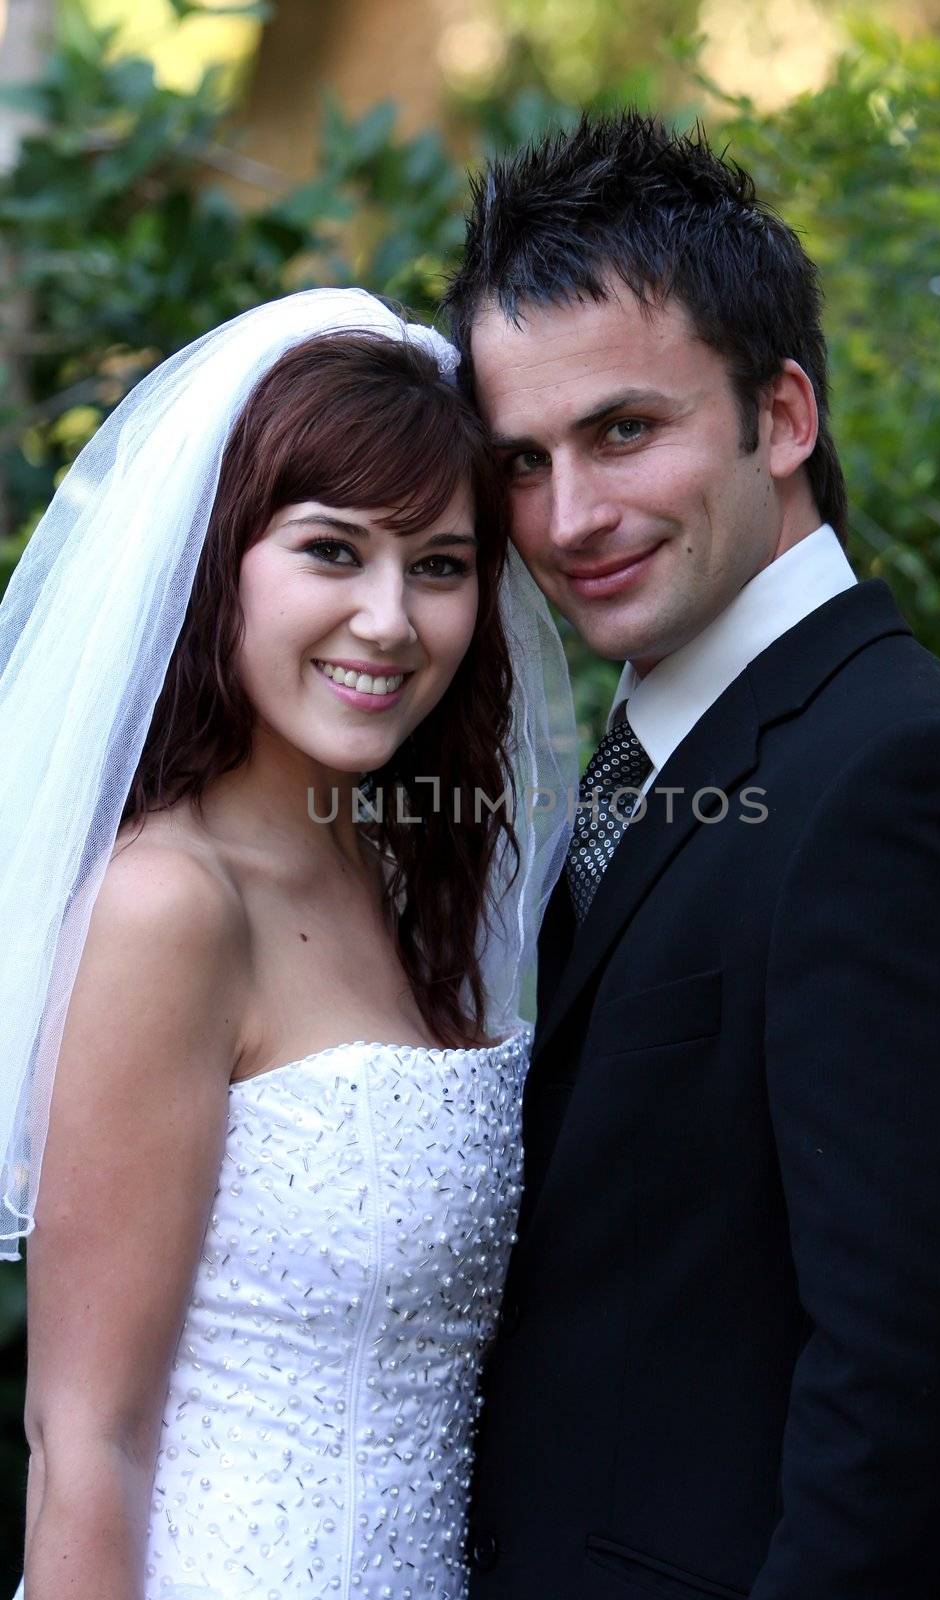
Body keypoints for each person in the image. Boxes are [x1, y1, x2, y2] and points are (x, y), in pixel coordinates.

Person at [442, 112, 940, 1598]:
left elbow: (925, 1402)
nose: (568, 518)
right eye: (522, 460)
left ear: (780, 417)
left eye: (623, 431)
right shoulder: (664, 746)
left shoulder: (910, 783)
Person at [1, 289, 575, 1600]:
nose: (390, 619)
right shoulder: (169, 907)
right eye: (333, 551)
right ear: (225, 560)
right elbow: (84, 1435)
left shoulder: (399, 874)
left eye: (438, 566)